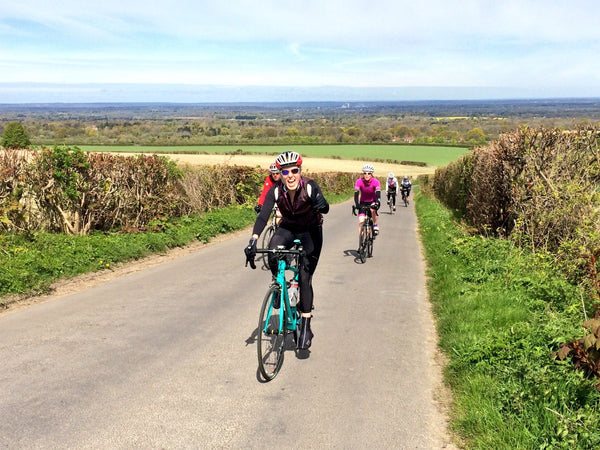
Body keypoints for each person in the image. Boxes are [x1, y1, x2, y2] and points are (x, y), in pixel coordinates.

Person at [244, 151, 329, 350]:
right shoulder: (275, 190)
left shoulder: (310, 186)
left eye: (294, 170)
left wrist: (322, 205)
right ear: (280, 173)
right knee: (273, 251)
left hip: (310, 232)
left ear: (300, 171)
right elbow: (263, 216)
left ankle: (306, 324)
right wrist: (253, 240)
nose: (290, 175)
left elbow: (325, 207)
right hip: (288, 229)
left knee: (305, 276)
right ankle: (278, 283)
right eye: (285, 171)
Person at [354, 164, 381, 235]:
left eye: (369, 173)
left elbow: (378, 194)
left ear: (371, 174)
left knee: (372, 210)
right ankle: (361, 242)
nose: (366, 175)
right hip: (363, 202)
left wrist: (377, 202)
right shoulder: (359, 181)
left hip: (372, 201)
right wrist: (357, 204)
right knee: (361, 222)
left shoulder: (376, 182)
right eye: (365, 173)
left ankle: (375, 225)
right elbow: (356, 194)